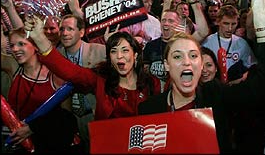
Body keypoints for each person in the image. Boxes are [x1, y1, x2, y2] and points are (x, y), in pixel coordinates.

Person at [138, 0, 265, 153]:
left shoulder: (215, 95)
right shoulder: (149, 109)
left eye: (193, 55)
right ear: (166, 65)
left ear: (200, 64)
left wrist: (264, 23)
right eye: (177, 56)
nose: (187, 62)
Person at [22, 18, 162, 121]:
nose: (119, 56)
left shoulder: (151, 83)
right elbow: (70, 72)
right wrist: (39, 38)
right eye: (114, 51)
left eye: (125, 50)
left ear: (135, 55)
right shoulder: (100, 79)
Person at [1, 28, 78, 154]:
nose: (14, 49)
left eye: (21, 44)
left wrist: (33, 128)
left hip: (51, 145)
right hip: (20, 145)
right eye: (12, 45)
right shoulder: (13, 66)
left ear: (36, 46)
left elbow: (67, 119)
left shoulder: (55, 76)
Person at [56, 14, 106, 154]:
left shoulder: (100, 51)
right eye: (62, 29)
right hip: (70, 122)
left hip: (96, 117)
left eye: (70, 29)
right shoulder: (55, 57)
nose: (65, 33)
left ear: (82, 32)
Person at [201, 4, 257, 85]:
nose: (230, 28)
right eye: (226, 23)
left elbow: (252, 68)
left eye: (233, 24)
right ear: (218, 22)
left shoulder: (242, 44)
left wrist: (241, 79)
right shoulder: (207, 42)